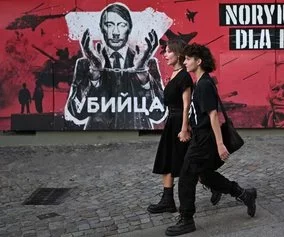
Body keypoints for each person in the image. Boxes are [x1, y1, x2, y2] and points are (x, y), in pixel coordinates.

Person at [165, 43, 257, 236]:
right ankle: (244, 194)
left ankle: (187, 219)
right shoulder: (200, 82)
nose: (185, 62)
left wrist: (220, 144)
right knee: (205, 175)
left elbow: (213, 115)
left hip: (204, 140)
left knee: (186, 178)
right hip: (200, 136)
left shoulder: (204, 84)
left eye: (189, 59)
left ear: (199, 61)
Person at [148, 39, 221, 214]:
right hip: (171, 122)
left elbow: (187, 105)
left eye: (168, 51)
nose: (164, 55)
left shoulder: (184, 76)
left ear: (178, 54)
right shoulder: (175, 74)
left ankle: (215, 186)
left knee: (189, 164)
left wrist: (184, 127)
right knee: (168, 161)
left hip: (180, 124)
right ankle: (167, 200)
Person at [64, 3, 165, 130]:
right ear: (102, 28)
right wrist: (95, 71)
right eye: (109, 25)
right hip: (98, 135)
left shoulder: (148, 64)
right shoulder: (85, 64)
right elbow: (77, 113)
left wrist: (142, 73)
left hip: (136, 136)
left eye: (122, 25)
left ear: (129, 28)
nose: (116, 33)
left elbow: (158, 114)